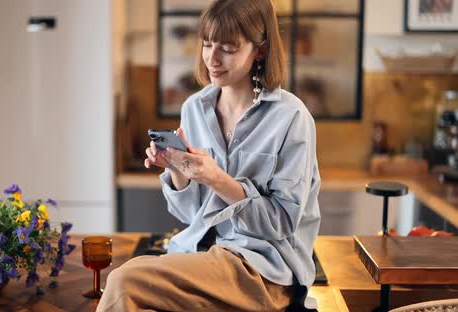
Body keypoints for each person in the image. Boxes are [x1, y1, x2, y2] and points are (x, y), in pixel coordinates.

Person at [97, 0, 321, 311]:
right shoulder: (195, 109)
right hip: (201, 258)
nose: (212, 59)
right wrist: (177, 170)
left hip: (263, 271)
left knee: (124, 282)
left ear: (260, 49)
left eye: (228, 48)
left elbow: (282, 223)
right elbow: (193, 216)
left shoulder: (292, 118)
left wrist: (216, 178)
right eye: (207, 44)